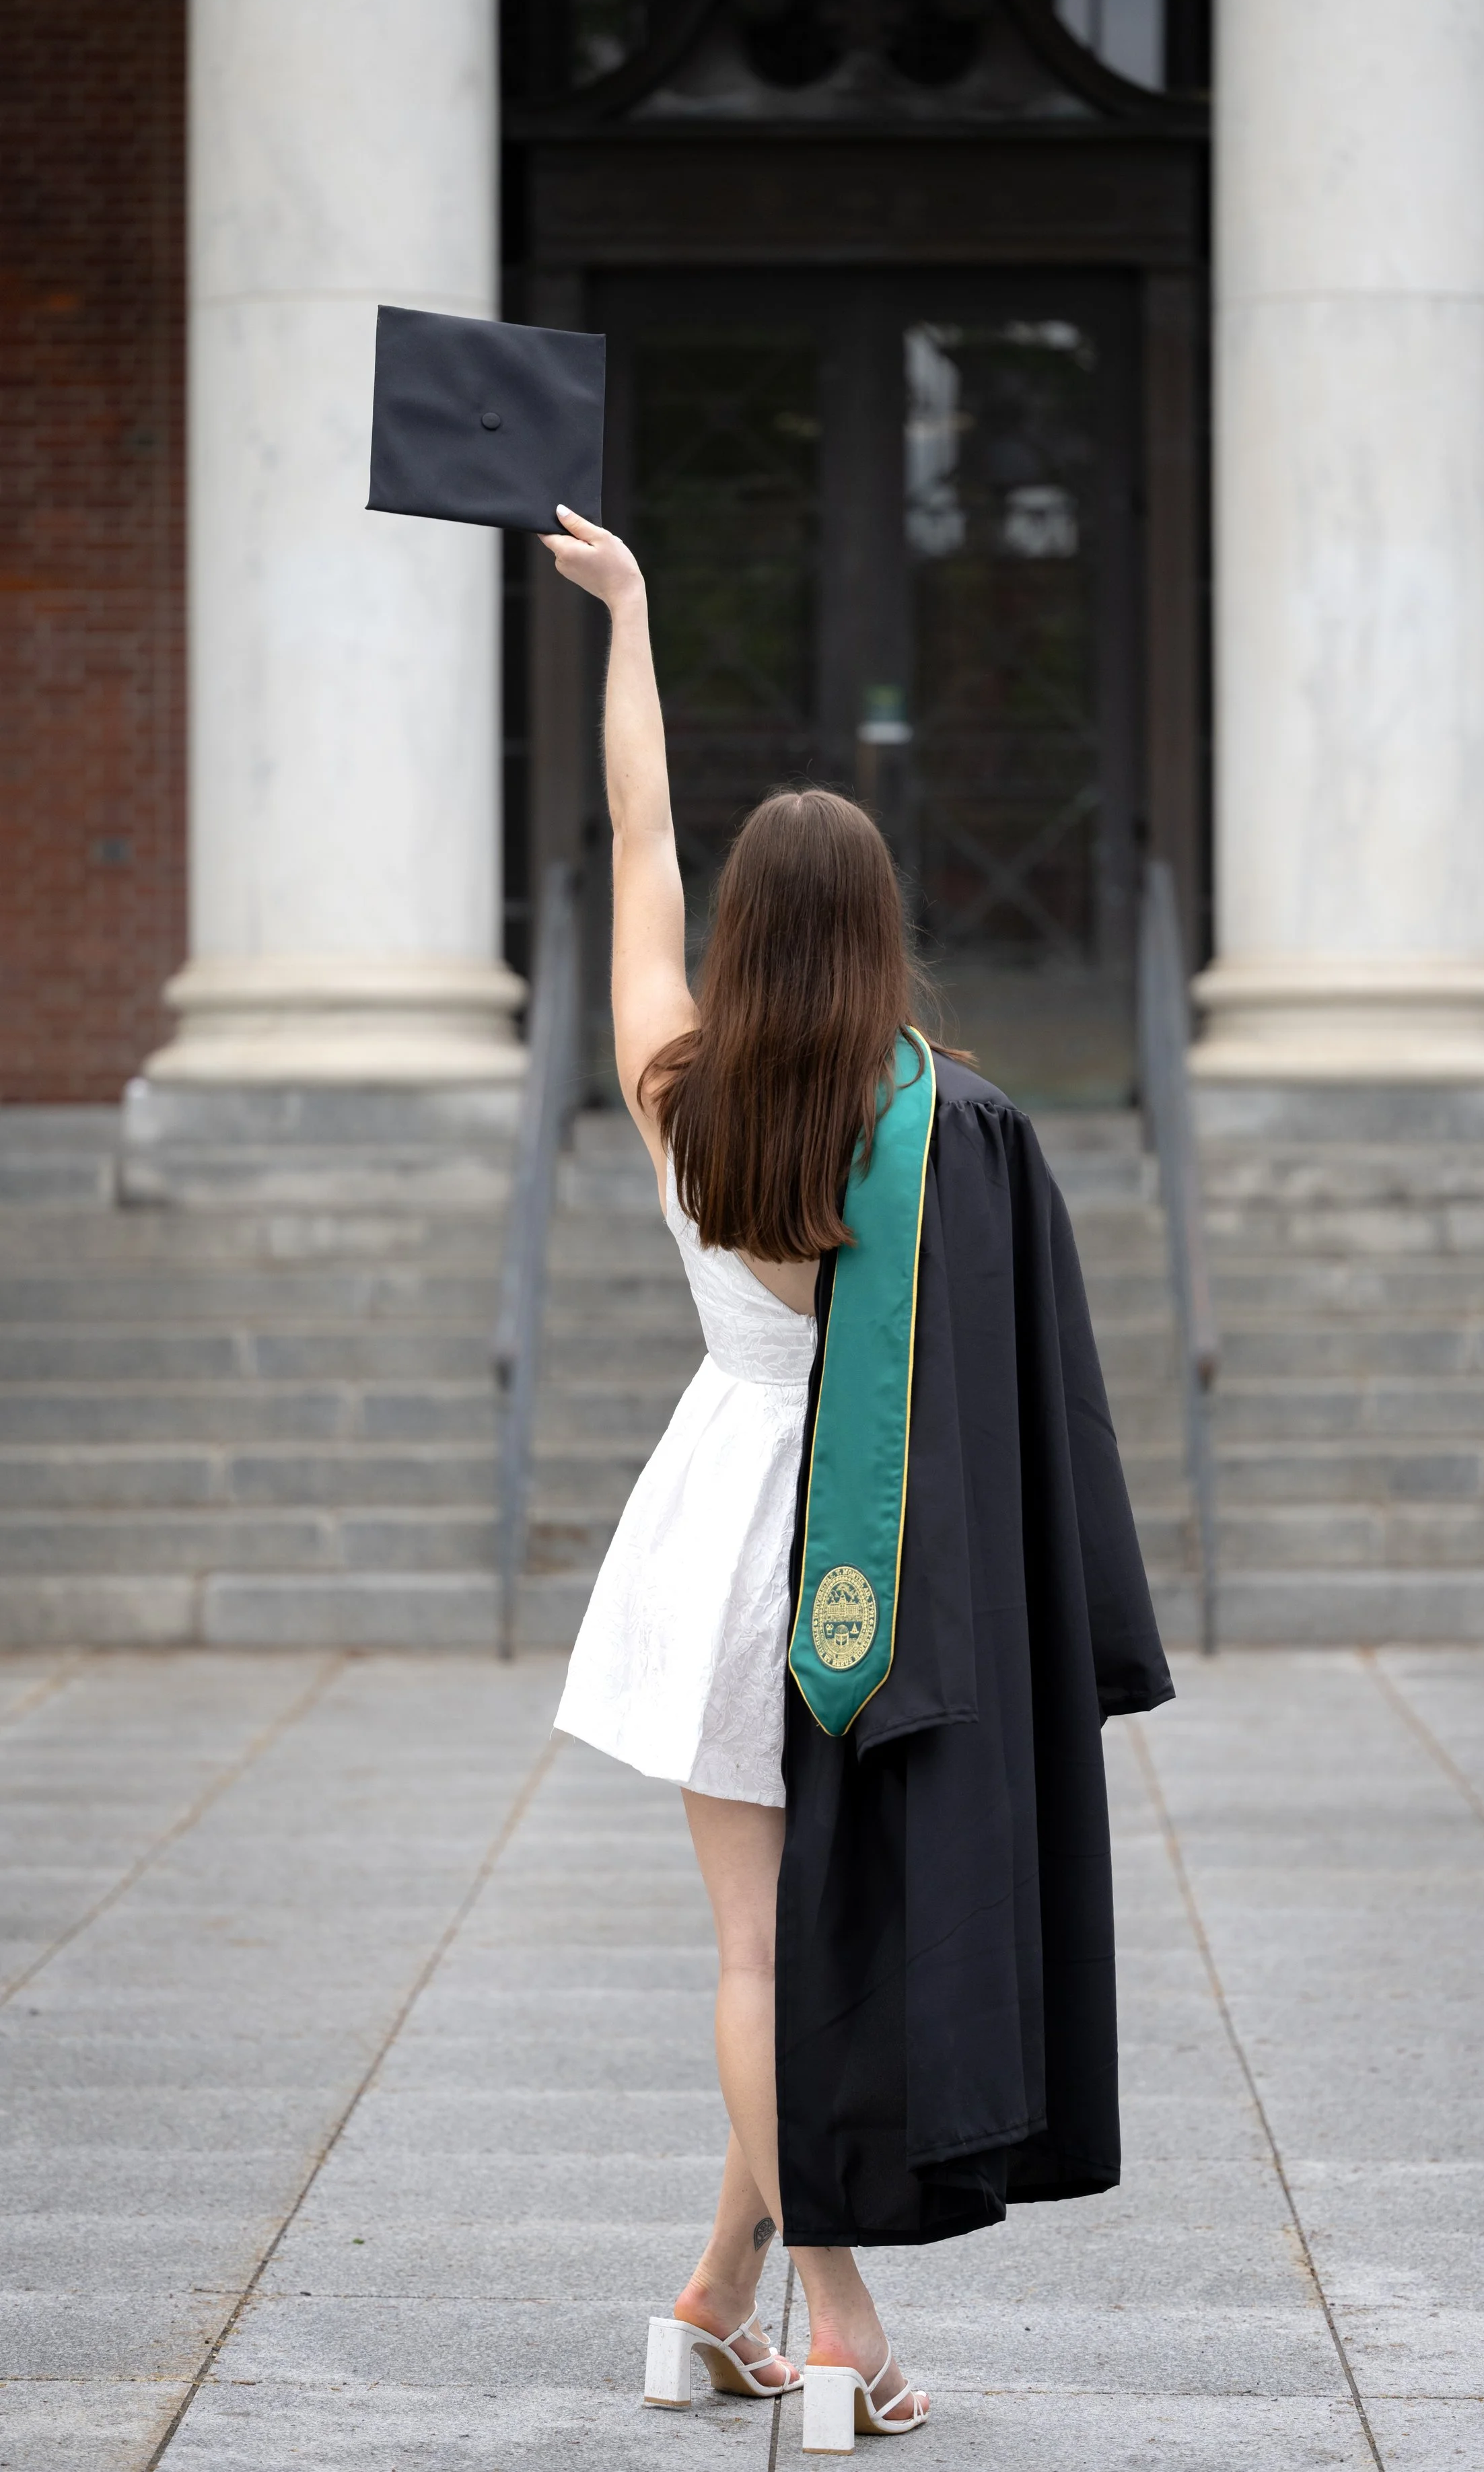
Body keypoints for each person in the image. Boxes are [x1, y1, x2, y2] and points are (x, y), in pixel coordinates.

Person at [543, 503, 1172, 2449]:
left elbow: (639, 835)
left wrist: (632, 615)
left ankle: (712, 2299)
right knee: (792, 1957)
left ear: (742, 939)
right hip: (859, 1541)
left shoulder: (675, 1083)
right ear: (881, 934)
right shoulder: (920, 1126)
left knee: (761, 1947)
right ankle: (837, 2322)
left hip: (706, 1520)